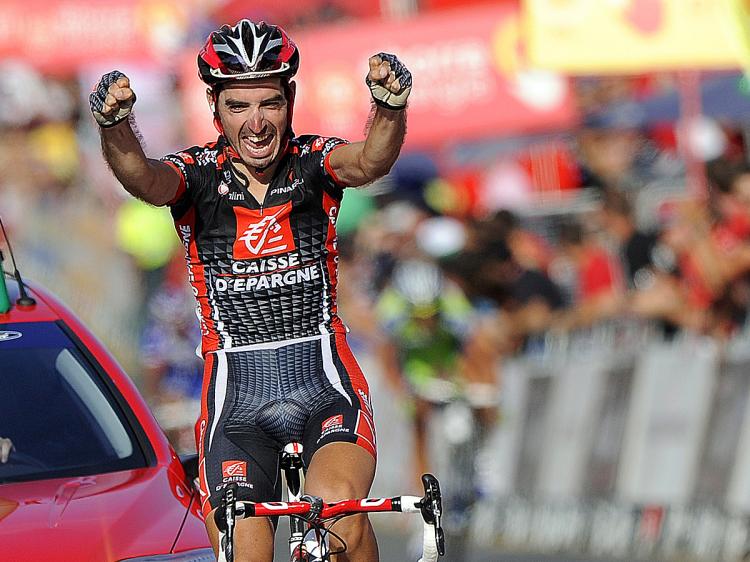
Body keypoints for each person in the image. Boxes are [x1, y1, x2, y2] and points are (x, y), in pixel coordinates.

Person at [89, 19, 411, 562]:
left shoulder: (314, 163)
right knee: (245, 552)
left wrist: (389, 107)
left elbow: (370, 159)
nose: (257, 123)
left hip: (323, 380)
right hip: (235, 398)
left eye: (269, 104)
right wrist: (115, 125)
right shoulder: (196, 176)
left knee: (337, 520)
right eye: (239, 106)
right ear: (215, 109)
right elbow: (144, 178)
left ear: (290, 100)